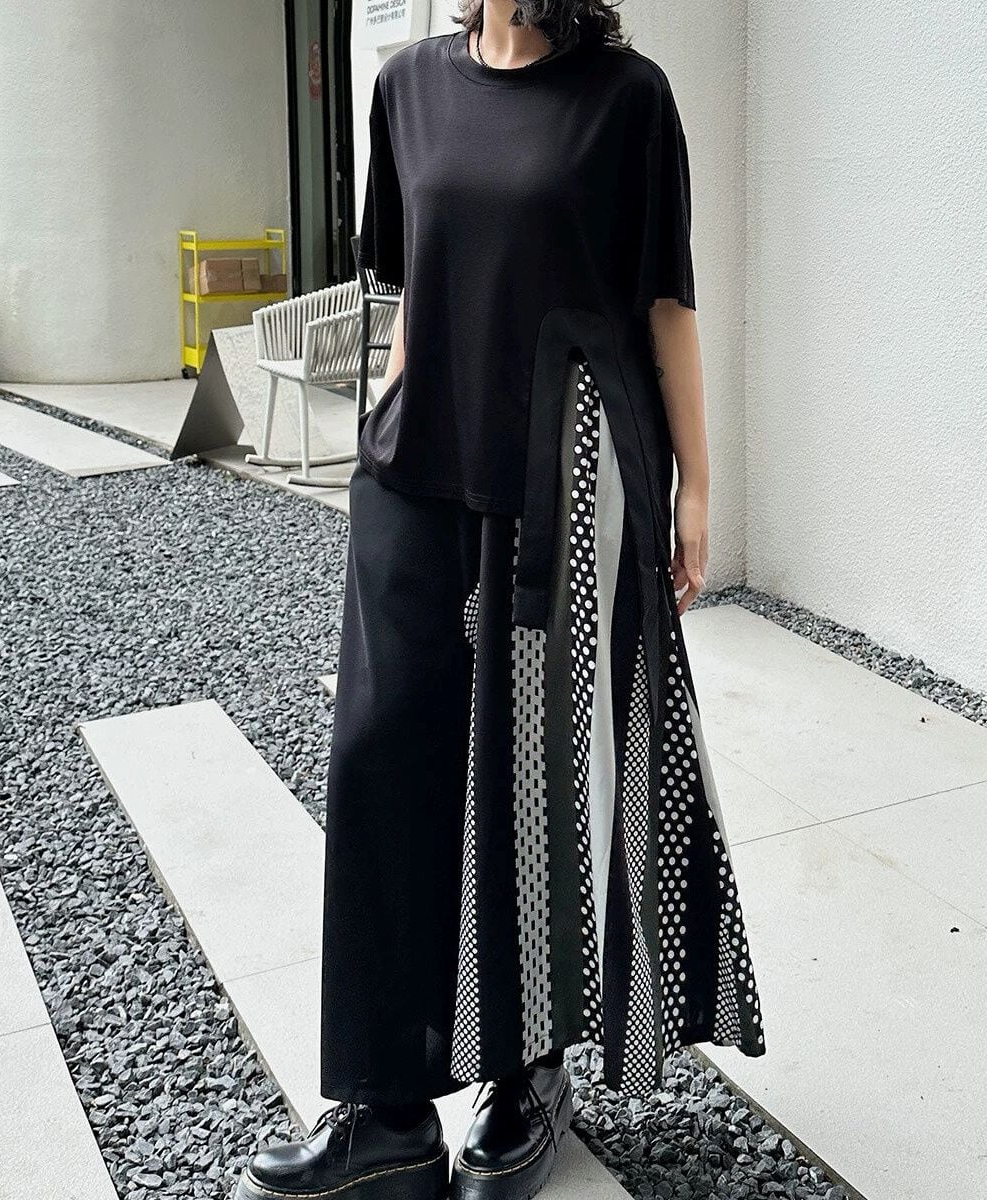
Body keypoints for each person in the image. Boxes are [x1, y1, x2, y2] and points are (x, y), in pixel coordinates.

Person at [233, 2, 765, 1198]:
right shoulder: (408, 87)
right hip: (417, 472)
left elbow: (665, 303)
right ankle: (382, 1107)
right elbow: (412, 292)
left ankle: (526, 1076)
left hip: (564, 481)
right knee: (382, 760)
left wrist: (695, 487)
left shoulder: (627, 98)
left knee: (539, 784)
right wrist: (385, 422)